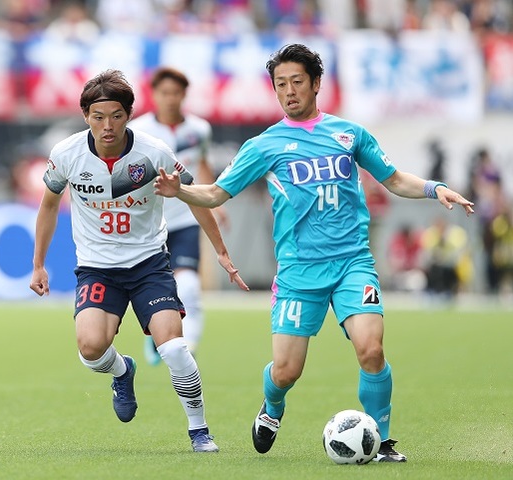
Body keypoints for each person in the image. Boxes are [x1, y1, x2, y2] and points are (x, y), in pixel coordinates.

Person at [153, 43, 475, 462]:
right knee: (286, 371)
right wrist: (180, 190)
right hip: (298, 271)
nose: (289, 91)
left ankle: (381, 441)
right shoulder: (264, 145)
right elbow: (215, 194)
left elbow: (394, 180)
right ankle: (272, 406)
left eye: (297, 82)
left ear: (316, 83)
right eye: (280, 85)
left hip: (352, 262)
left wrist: (435, 188)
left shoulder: (350, 134)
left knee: (371, 349)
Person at [29, 69, 248, 453]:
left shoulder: (154, 152)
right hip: (97, 268)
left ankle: (199, 431)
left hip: (149, 264)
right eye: (98, 117)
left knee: (175, 348)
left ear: (128, 115)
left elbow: (193, 196)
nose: (107, 126)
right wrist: (38, 264)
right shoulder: (66, 155)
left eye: (116, 116)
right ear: (85, 116)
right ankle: (122, 370)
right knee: (90, 349)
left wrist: (221, 251)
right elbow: (48, 206)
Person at [129, 66, 226, 365]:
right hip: (149, 222)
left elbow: (202, 166)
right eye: (164, 93)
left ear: (184, 95)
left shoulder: (199, 130)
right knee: (151, 287)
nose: (170, 99)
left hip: (185, 219)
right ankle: (154, 333)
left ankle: (188, 346)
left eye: (176, 93)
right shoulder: (138, 131)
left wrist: (215, 202)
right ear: (154, 95)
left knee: (189, 287)